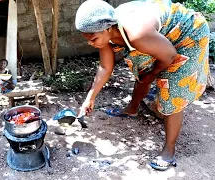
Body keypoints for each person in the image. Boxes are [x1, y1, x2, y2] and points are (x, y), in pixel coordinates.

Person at [75, 0, 210, 170]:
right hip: (161, 38)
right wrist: (90, 98)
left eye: (93, 39)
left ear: (108, 28)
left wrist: (153, 74)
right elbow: (105, 67)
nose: (91, 43)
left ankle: (169, 151)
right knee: (142, 70)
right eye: (87, 40)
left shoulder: (137, 33)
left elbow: (169, 56)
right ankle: (131, 109)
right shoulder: (106, 32)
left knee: (171, 91)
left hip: (188, 35)